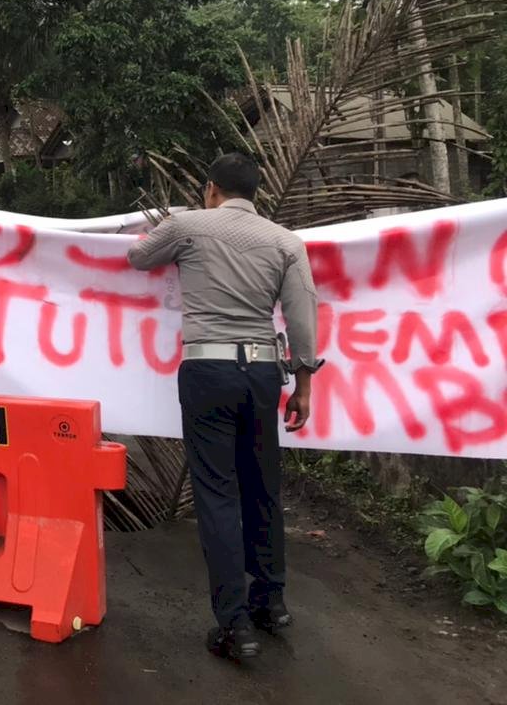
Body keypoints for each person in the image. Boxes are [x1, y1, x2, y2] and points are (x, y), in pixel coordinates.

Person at [127, 152, 320, 661]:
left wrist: (169, 227)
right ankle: (272, 604)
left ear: (211, 188)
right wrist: (303, 385)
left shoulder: (187, 225)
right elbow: (302, 317)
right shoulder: (286, 241)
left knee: (216, 495)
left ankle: (234, 626)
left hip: (207, 371)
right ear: (254, 193)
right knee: (263, 486)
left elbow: (138, 258)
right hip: (262, 373)